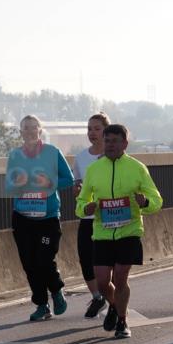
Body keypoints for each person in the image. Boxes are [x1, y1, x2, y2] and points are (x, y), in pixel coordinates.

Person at [75, 124, 163, 338]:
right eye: (107, 141)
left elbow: (157, 200)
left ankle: (122, 322)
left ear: (125, 143)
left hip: (129, 231)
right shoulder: (94, 170)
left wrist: (145, 202)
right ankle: (114, 305)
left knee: (121, 276)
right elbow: (81, 202)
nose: (110, 145)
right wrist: (85, 208)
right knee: (103, 281)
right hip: (102, 233)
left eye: (115, 141)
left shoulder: (137, 168)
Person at [6, 115, 75, 322]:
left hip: (48, 217)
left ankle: (56, 290)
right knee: (29, 263)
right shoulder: (15, 155)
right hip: (23, 217)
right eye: (25, 128)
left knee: (44, 259)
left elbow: (68, 179)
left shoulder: (52, 153)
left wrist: (49, 183)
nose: (29, 131)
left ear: (40, 130)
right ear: (20, 132)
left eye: (33, 128)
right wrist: (17, 183)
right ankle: (42, 305)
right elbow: (8, 187)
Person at [73, 112, 111, 317]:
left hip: (110, 218)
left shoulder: (115, 156)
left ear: (106, 130)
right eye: (89, 129)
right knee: (85, 260)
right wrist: (76, 190)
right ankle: (98, 297)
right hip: (87, 217)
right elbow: (77, 184)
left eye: (97, 128)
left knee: (107, 263)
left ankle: (111, 298)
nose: (92, 133)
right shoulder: (81, 157)